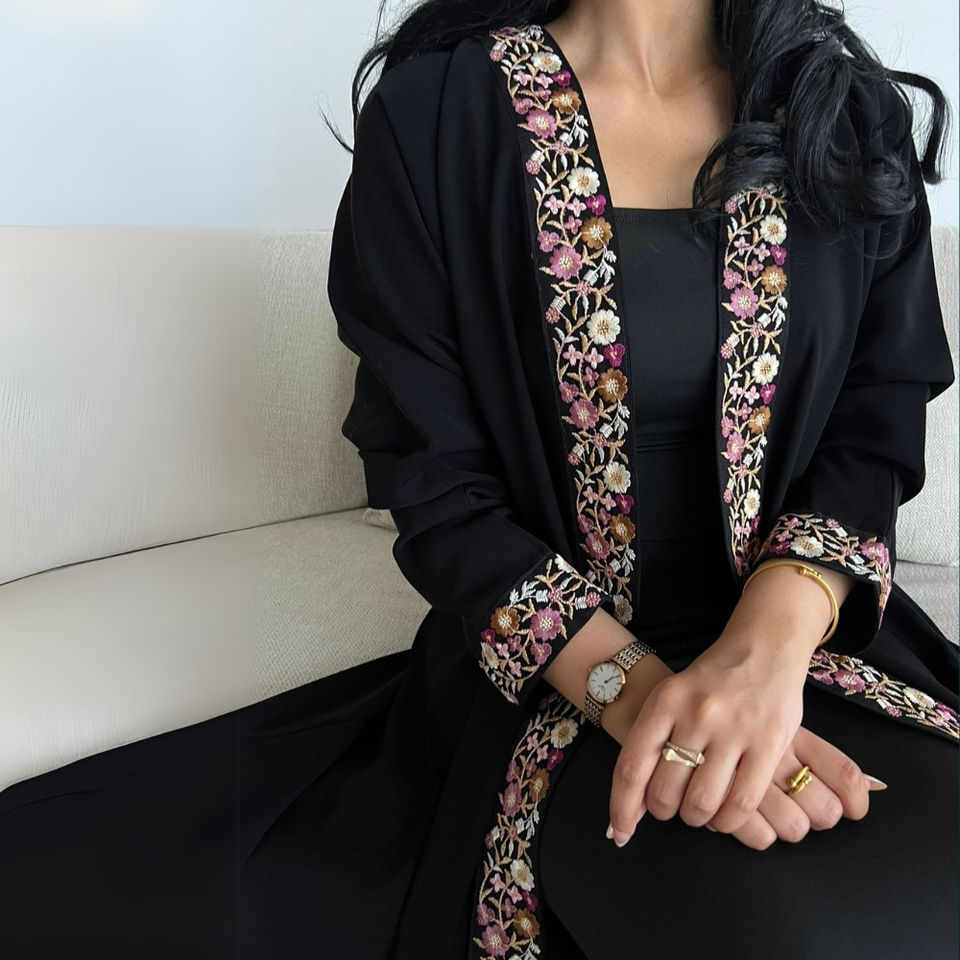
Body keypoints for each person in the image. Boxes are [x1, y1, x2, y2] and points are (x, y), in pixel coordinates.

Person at [0, 2, 956, 959]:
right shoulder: (435, 115)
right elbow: (433, 482)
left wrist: (761, 659)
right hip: (560, 679)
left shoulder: (840, 108)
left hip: (814, 639)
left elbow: (875, 418)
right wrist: (652, 709)